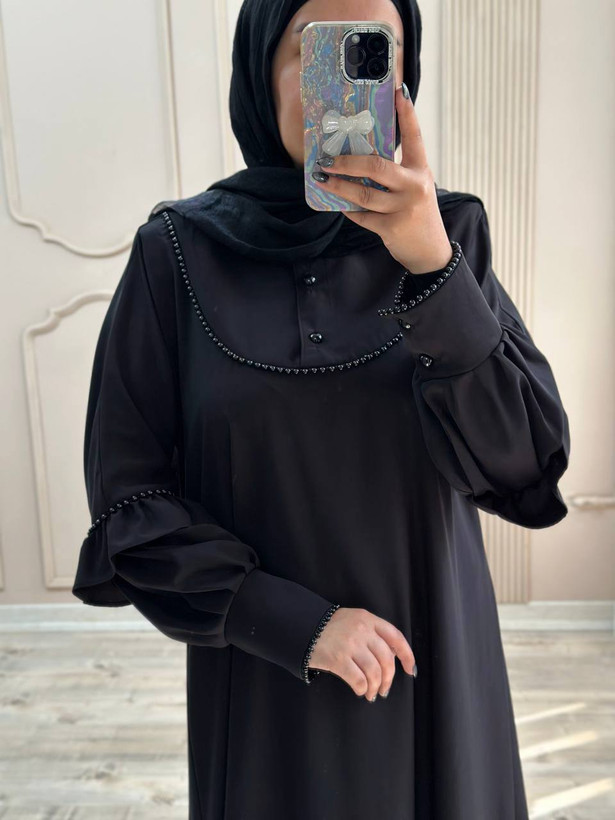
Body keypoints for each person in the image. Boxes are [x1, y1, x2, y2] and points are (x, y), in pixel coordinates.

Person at [72, 0, 570, 817]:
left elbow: (521, 462)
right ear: (257, 71)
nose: (346, 82)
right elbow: (129, 504)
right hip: (267, 687)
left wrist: (432, 268)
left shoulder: (450, 234)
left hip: (437, 669)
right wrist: (290, 622)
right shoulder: (175, 255)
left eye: (376, 52)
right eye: (315, 53)